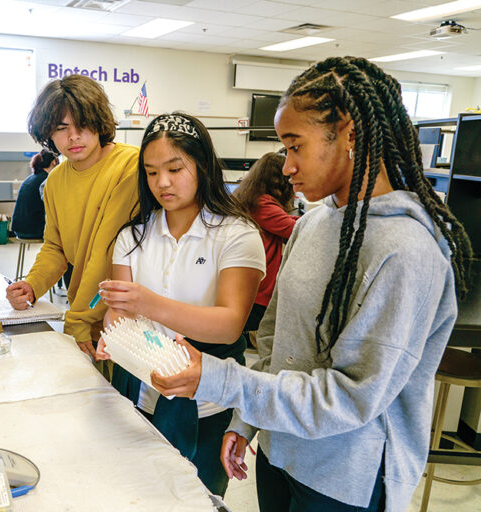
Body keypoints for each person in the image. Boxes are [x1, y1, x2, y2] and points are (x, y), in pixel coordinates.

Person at [151, 57, 473, 511]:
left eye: (295, 146)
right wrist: (246, 421)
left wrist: (219, 379)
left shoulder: (407, 250)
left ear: (351, 136)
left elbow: (351, 397)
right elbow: (273, 340)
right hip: (281, 453)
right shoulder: (313, 224)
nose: (286, 167)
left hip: (343, 478)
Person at [95, 112, 266, 495]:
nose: (163, 183)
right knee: (134, 493)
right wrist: (113, 333)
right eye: (152, 172)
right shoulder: (134, 236)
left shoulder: (236, 235)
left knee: (196, 496)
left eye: (174, 168)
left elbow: (228, 324)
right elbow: (119, 311)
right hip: (139, 392)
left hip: (207, 403)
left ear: (203, 165)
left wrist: (148, 303)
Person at [6, 74, 139, 361]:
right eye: (61, 127)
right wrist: (32, 285)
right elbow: (56, 247)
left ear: (99, 122)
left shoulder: (130, 166)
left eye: (83, 124)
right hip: (85, 314)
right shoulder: (54, 182)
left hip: (127, 316)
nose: (73, 136)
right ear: (48, 133)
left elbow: (106, 255)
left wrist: (78, 320)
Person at [232, 152, 298, 334]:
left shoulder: (254, 198)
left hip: (249, 280)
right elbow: (292, 228)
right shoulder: (263, 204)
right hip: (259, 286)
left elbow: (284, 219)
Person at [10, 149, 58, 239]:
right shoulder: (46, 179)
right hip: (32, 231)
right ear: (54, 162)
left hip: (18, 229)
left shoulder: (31, 178)